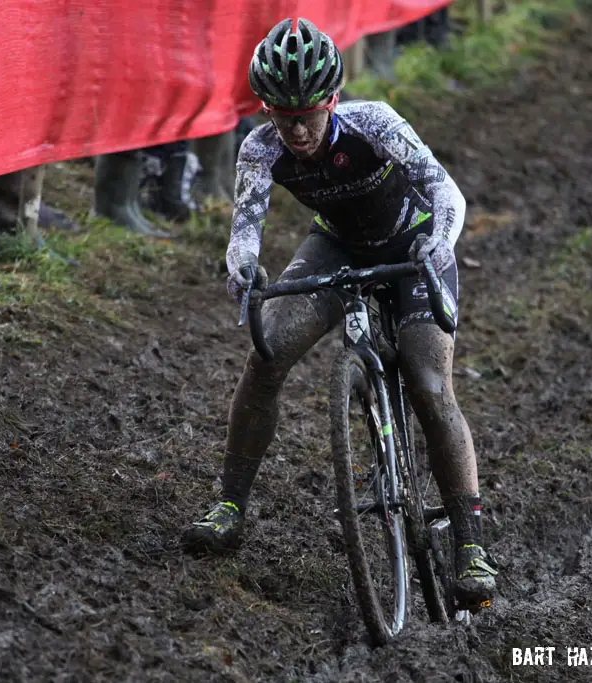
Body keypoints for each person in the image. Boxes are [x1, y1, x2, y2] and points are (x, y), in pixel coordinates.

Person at [181, 17, 497, 605]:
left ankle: (471, 545)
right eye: (282, 114)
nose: (296, 129)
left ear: (332, 99)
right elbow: (244, 230)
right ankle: (228, 504)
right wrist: (243, 265)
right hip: (337, 245)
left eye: (307, 114)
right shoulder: (260, 147)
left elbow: (446, 189)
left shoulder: (374, 123)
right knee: (267, 353)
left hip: (413, 244)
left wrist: (439, 243)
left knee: (428, 382)